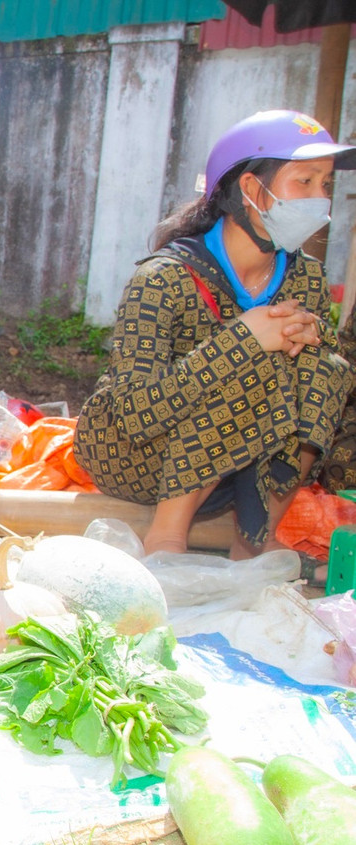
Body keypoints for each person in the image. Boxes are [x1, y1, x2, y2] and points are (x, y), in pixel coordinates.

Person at [74, 110, 356, 557]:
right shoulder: (164, 278)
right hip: (135, 456)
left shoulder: (306, 278)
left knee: (327, 368)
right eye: (304, 182)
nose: (319, 198)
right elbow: (132, 414)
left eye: (325, 185)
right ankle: (166, 541)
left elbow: (321, 392)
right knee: (255, 359)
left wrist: (312, 340)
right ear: (250, 189)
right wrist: (242, 341)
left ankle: (254, 543)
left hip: (239, 468)